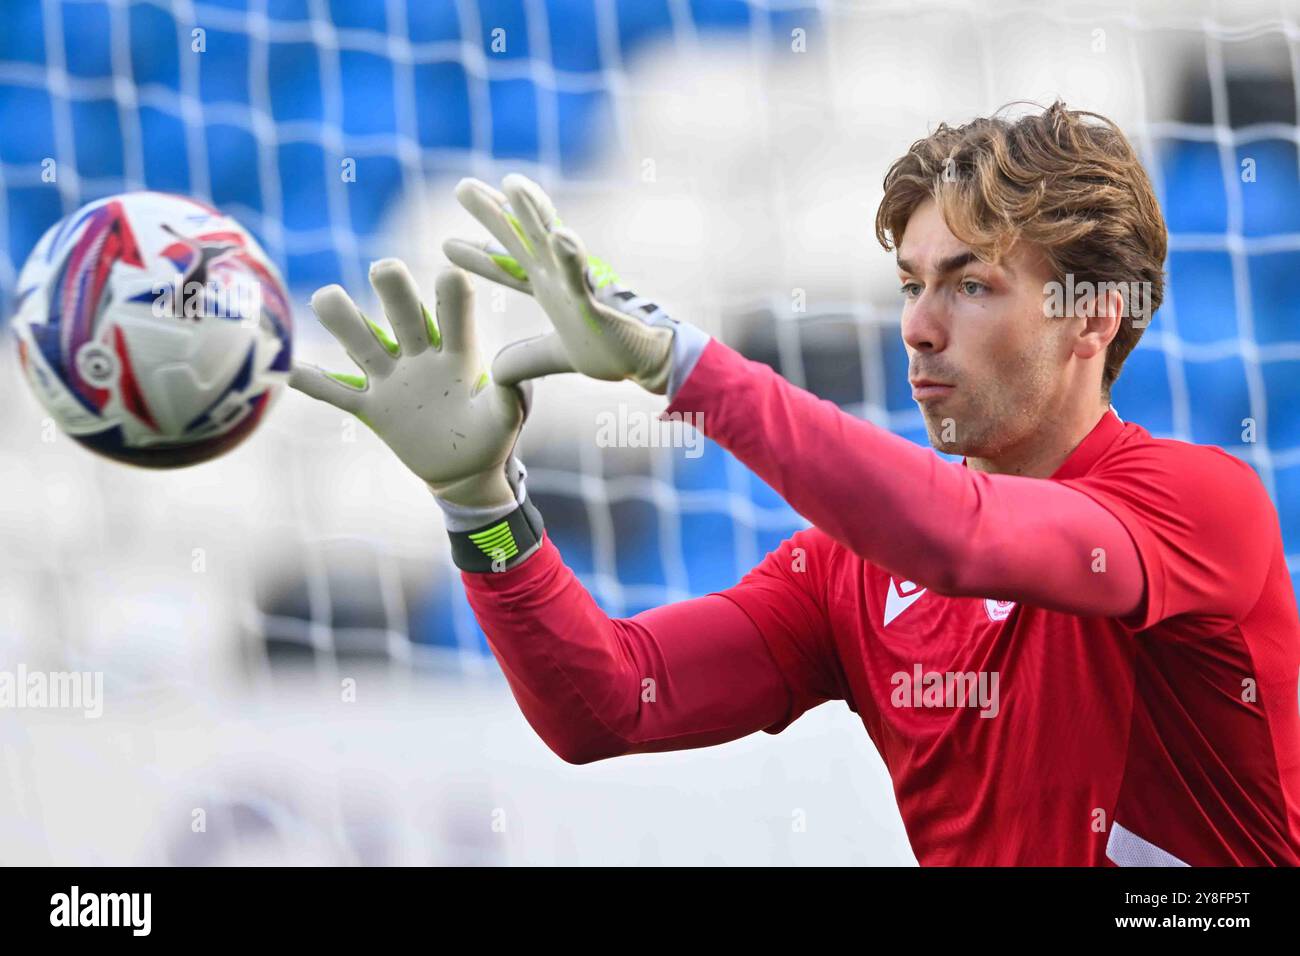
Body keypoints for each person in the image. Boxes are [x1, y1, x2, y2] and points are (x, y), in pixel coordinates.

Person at [291, 101, 1300, 866]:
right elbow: (608, 701)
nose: (916, 322)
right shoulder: (847, 573)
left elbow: (959, 538)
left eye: (971, 283)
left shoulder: (1195, 503)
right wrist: (482, 505)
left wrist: (685, 366)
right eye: (911, 282)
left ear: (1093, 316)